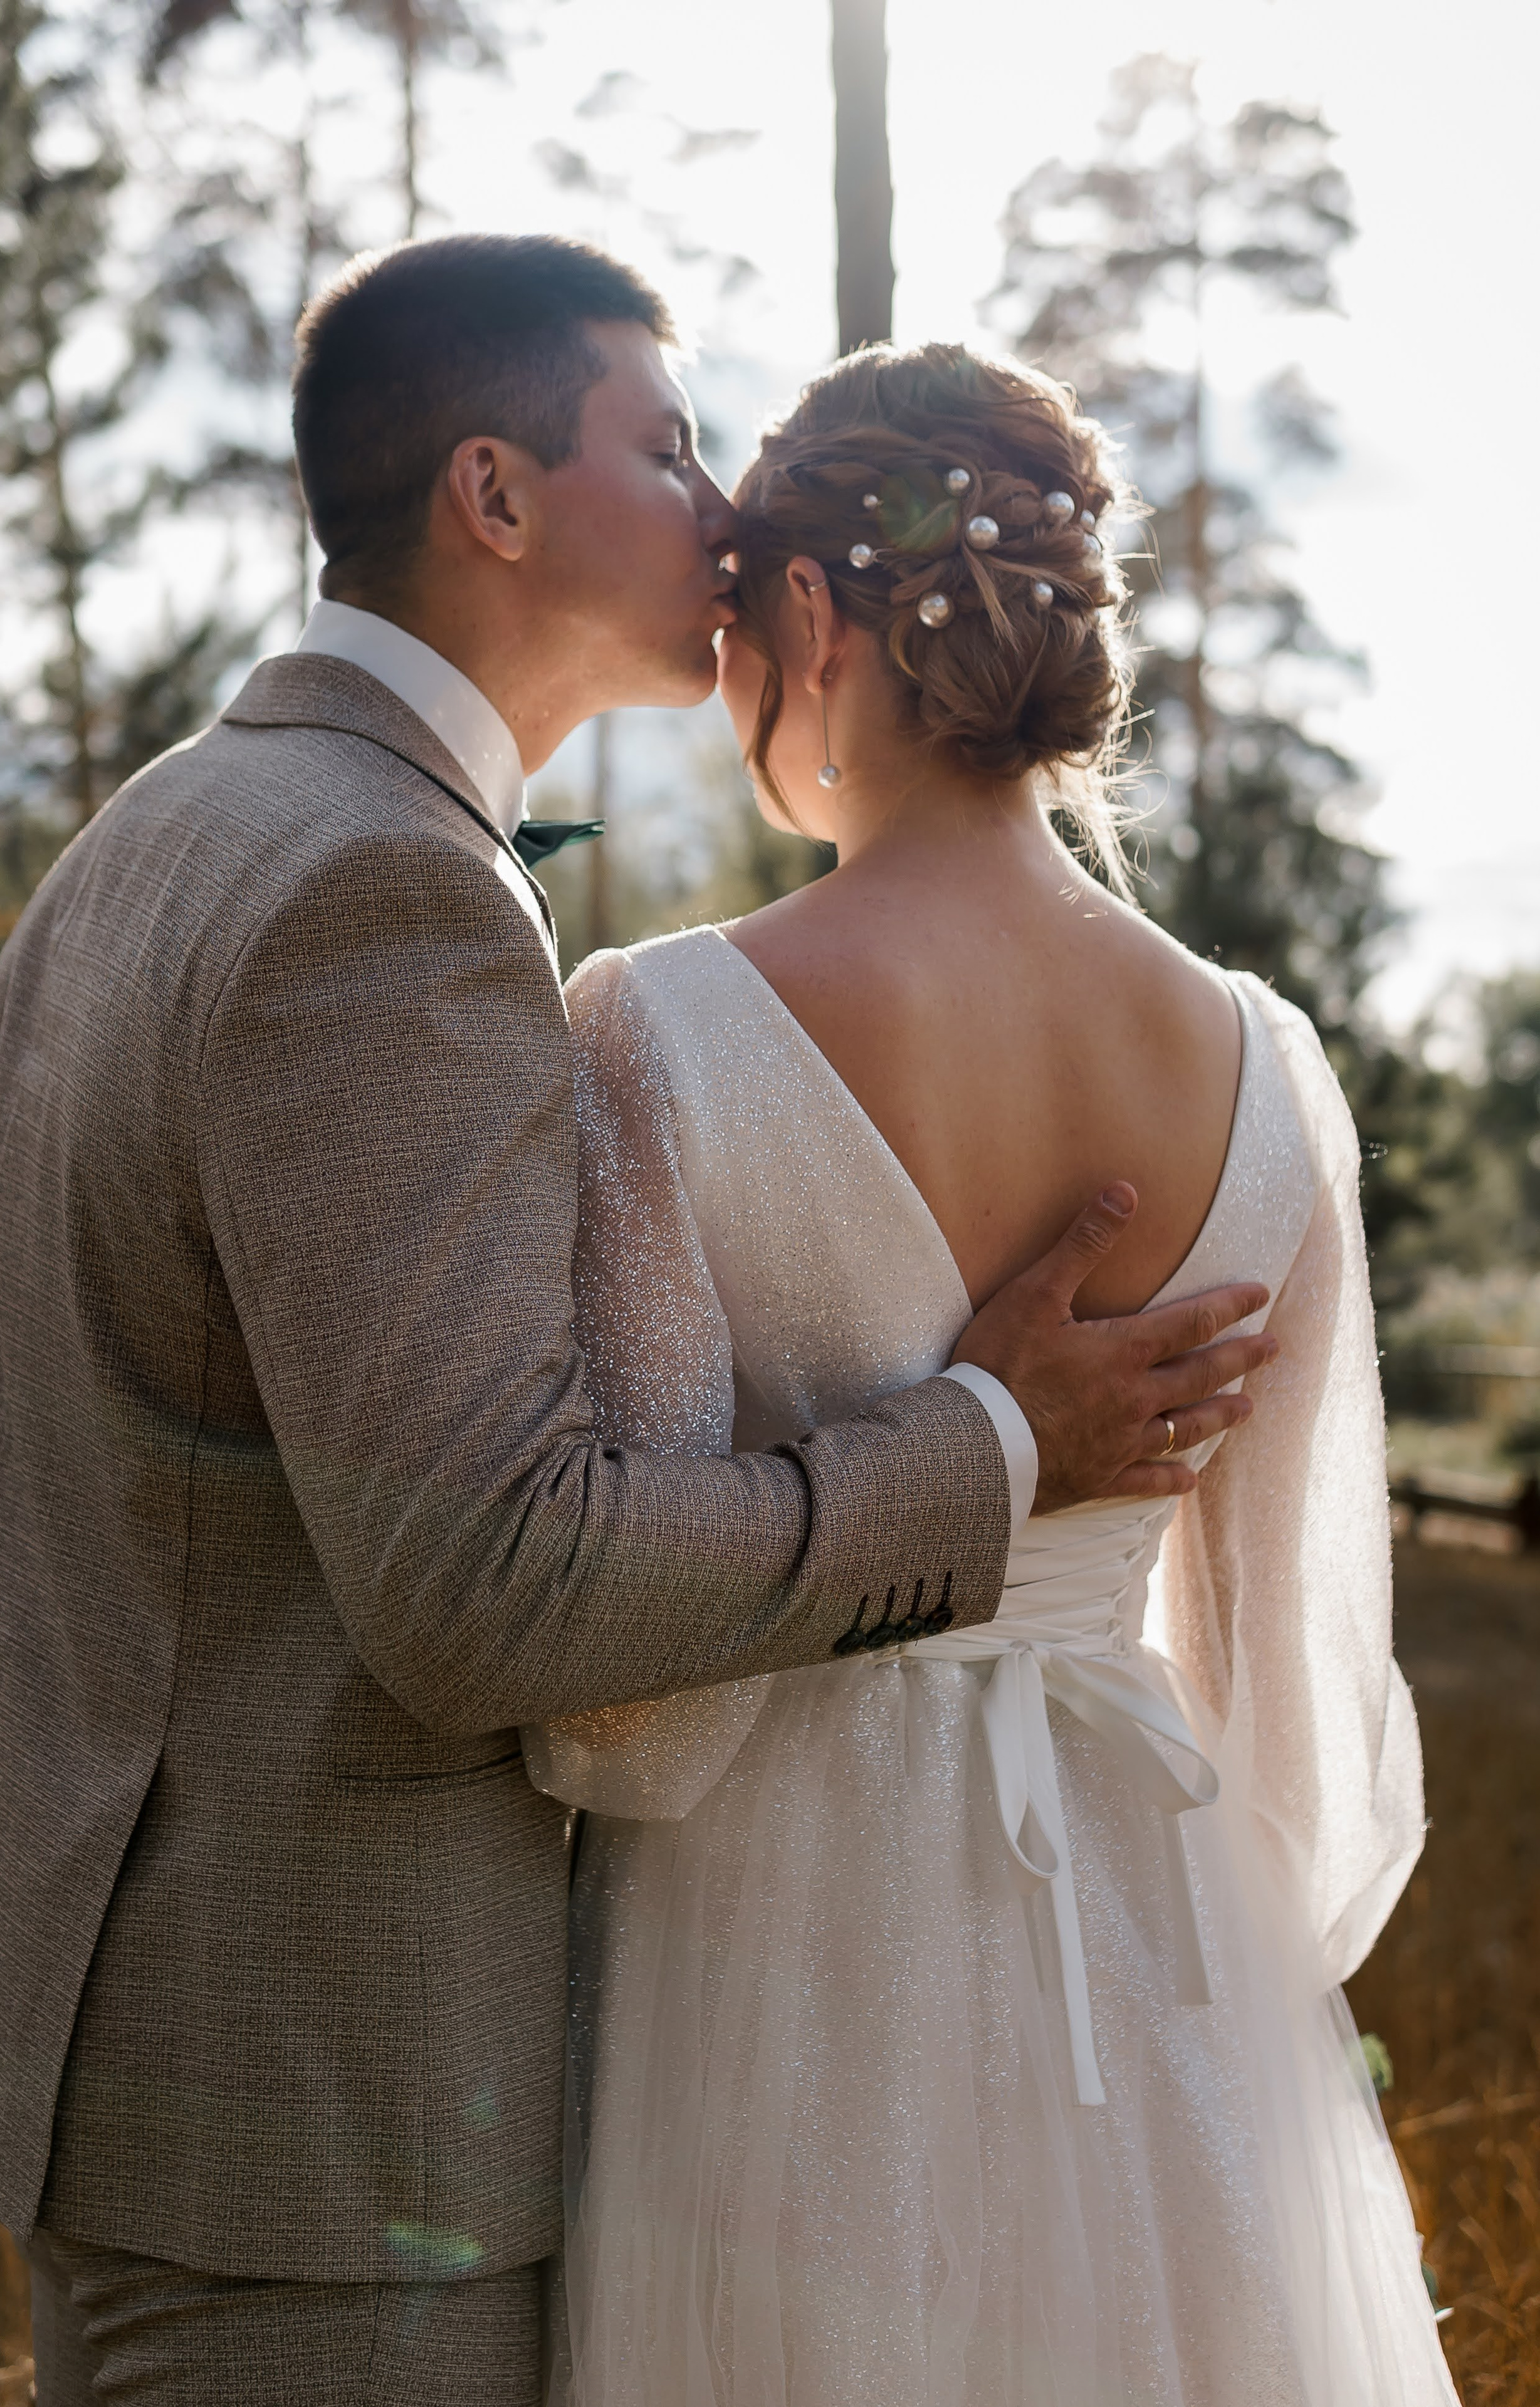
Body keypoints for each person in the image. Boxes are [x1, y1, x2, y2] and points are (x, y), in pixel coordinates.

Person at [0, 240, 1270, 2407]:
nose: (722, 514)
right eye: (662, 445)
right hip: (325, 2137)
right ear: (495, 495)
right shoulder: (379, 892)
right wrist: (992, 1449)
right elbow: (484, 1578)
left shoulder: (157, 842)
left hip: (163, 2070)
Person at [527, 342, 1457, 2405]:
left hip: (781, 1940)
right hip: (1162, 1924)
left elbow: (623, 1711)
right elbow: (1297, 1700)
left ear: (818, 622)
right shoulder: (1262, 1063)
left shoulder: (654, 1031)